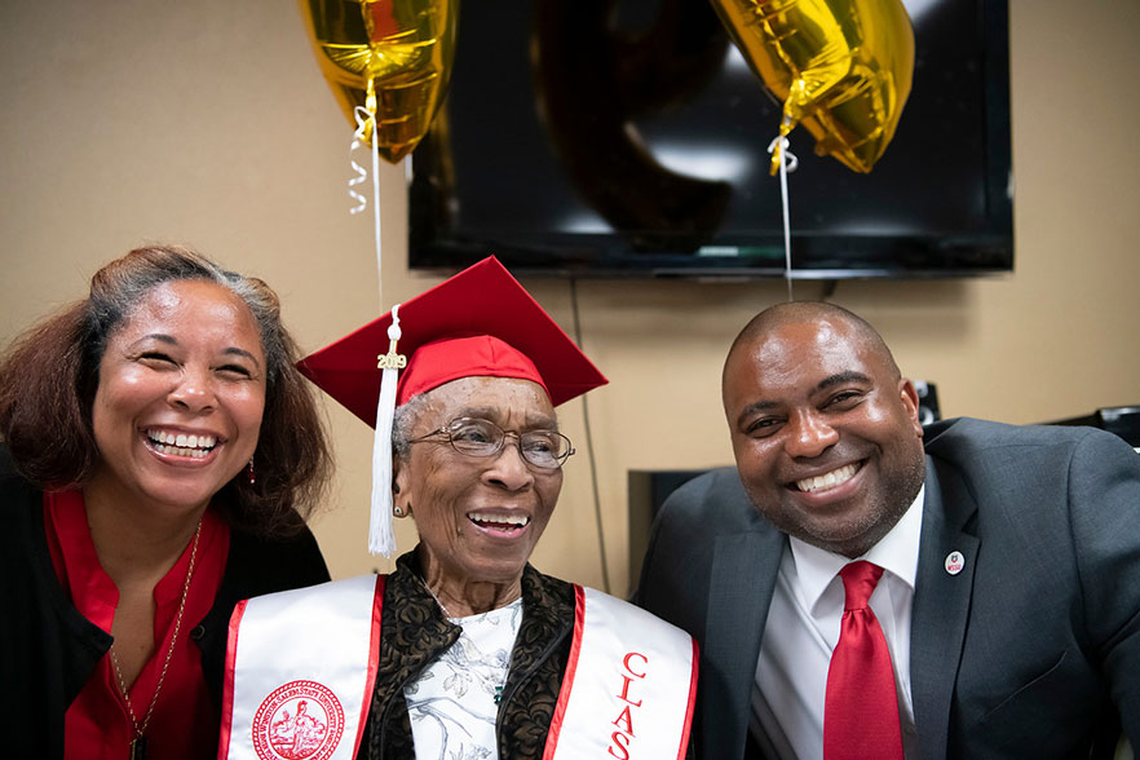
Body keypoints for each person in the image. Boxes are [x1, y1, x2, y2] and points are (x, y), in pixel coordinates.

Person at [218, 256, 698, 760]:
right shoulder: (287, 642)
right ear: (398, 476)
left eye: (540, 444)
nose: (514, 473)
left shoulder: (643, 657)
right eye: (473, 436)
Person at [636, 300, 1140, 760]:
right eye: (766, 424)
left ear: (907, 405)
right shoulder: (693, 536)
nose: (810, 441)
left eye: (842, 398)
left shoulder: (1063, 496)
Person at [0, 244, 333, 760]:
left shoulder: (279, 557)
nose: (196, 394)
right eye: (157, 357)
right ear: (87, 379)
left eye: (234, 371)